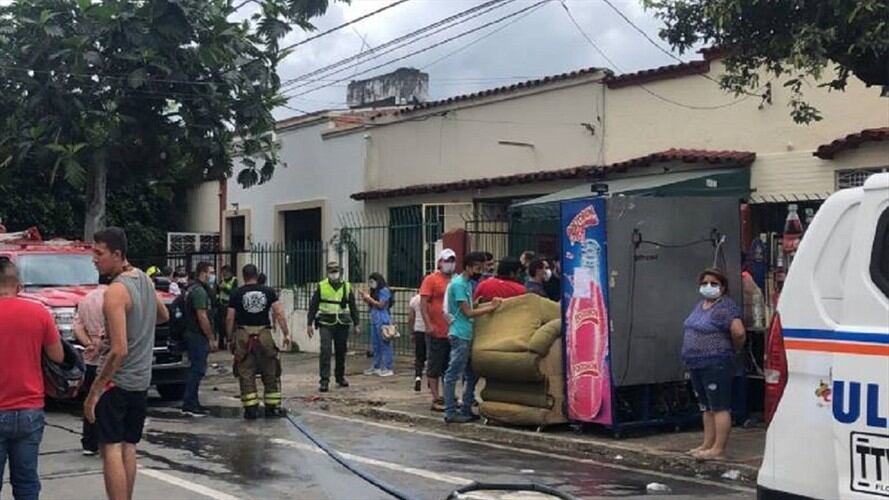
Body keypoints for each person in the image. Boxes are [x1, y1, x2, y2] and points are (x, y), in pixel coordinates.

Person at [84, 227, 170, 500]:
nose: (94, 260)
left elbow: (119, 349)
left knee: (109, 447)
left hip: (116, 382)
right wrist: (138, 324)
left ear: (117, 254)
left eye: (99, 253)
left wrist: (95, 391)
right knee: (129, 446)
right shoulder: (144, 279)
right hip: (140, 381)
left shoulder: (115, 292)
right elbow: (163, 315)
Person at [0, 258, 64, 500]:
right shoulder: (39, 312)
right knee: (26, 482)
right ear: (17, 285)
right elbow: (57, 356)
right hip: (29, 408)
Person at [682, 268, 746, 460]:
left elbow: (739, 332)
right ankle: (707, 444)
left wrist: (734, 348)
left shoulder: (725, 307)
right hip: (696, 363)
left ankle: (718, 448)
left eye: (713, 283)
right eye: (704, 283)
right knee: (706, 407)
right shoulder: (701, 305)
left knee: (719, 406)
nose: (708, 287)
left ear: (723, 287)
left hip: (716, 362)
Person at [226, 264, 291, 420]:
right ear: (256, 275)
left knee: (246, 372)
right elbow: (279, 313)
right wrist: (286, 333)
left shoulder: (236, 293)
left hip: (243, 335)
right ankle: (272, 408)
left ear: (243, 276)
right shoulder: (268, 291)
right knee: (270, 370)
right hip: (264, 334)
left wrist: (230, 338)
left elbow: (229, 318)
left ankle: (250, 409)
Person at [443, 252, 501, 424]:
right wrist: (491, 307)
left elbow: (467, 308)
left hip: (466, 332)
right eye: (477, 268)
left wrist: (480, 304)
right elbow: (468, 312)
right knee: (453, 374)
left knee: (472, 373)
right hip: (460, 333)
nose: (479, 271)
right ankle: (450, 411)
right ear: (468, 267)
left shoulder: (466, 284)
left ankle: (466, 408)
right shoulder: (459, 284)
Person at [307, 261, 360, 393]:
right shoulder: (322, 286)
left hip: (342, 322)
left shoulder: (346, 287)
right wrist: (309, 323)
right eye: (331, 271)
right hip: (326, 322)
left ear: (340, 272)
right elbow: (313, 305)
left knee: (341, 351)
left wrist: (357, 323)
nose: (334, 274)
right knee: (325, 350)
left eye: (335, 271)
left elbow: (353, 306)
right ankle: (324, 381)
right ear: (327, 272)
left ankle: (340, 377)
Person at [72, 276, 110, 456]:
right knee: (109, 401)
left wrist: (89, 343)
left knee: (90, 399)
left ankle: (89, 441)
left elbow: (77, 327)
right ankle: (108, 439)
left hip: (90, 358)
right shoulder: (113, 297)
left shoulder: (86, 299)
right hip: (108, 356)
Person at [419, 249, 456, 412]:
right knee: (435, 364)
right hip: (437, 329)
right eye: (447, 260)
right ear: (440, 262)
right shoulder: (431, 280)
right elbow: (424, 304)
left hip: (453, 330)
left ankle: (448, 395)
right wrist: (428, 324)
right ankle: (435, 397)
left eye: (452, 260)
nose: (450, 264)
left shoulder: (456, 280)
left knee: (450, 365)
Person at [181, 261, 218, 417]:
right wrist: (211, 338)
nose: (212, 275)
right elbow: (202, 316)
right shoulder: (199, 292)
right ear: (203, 273)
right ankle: (189, 403)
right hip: (197, 335)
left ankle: (193, 402)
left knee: (196, 369)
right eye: (211, 272)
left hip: (192, 334)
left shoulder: (193, 289)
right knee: (197, 370)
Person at [358, 273, 394, 377]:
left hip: (383, 319)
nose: (371, 284)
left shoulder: (384, 291)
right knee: (376, 344)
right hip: (374, 319)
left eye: (372, 282)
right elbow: (372, 304)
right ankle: (376, 366)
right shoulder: (374, 292)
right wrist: (365, 297)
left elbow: (381, 305)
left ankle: (388, 367)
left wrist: (369, 298)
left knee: (385, 344)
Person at [407, 293, 427, 392]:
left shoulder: (414, 299)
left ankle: (418, 377)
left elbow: (411, 318)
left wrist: (411, 332)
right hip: (430, 329)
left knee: (419, 357)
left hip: (418, 329)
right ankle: (431, 381)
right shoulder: (432, 298)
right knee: (431, 356)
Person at [216, 265, 238, 350]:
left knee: (230, 324)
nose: (223, 273)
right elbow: (218, 291)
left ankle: (230, 341)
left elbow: (233, 292)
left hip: (230, 305)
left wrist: (224, 289)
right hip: (222, 305)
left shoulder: (234, 280)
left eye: (224, 271)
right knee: (221, 324)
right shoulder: (222, 280)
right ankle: (221, 342)